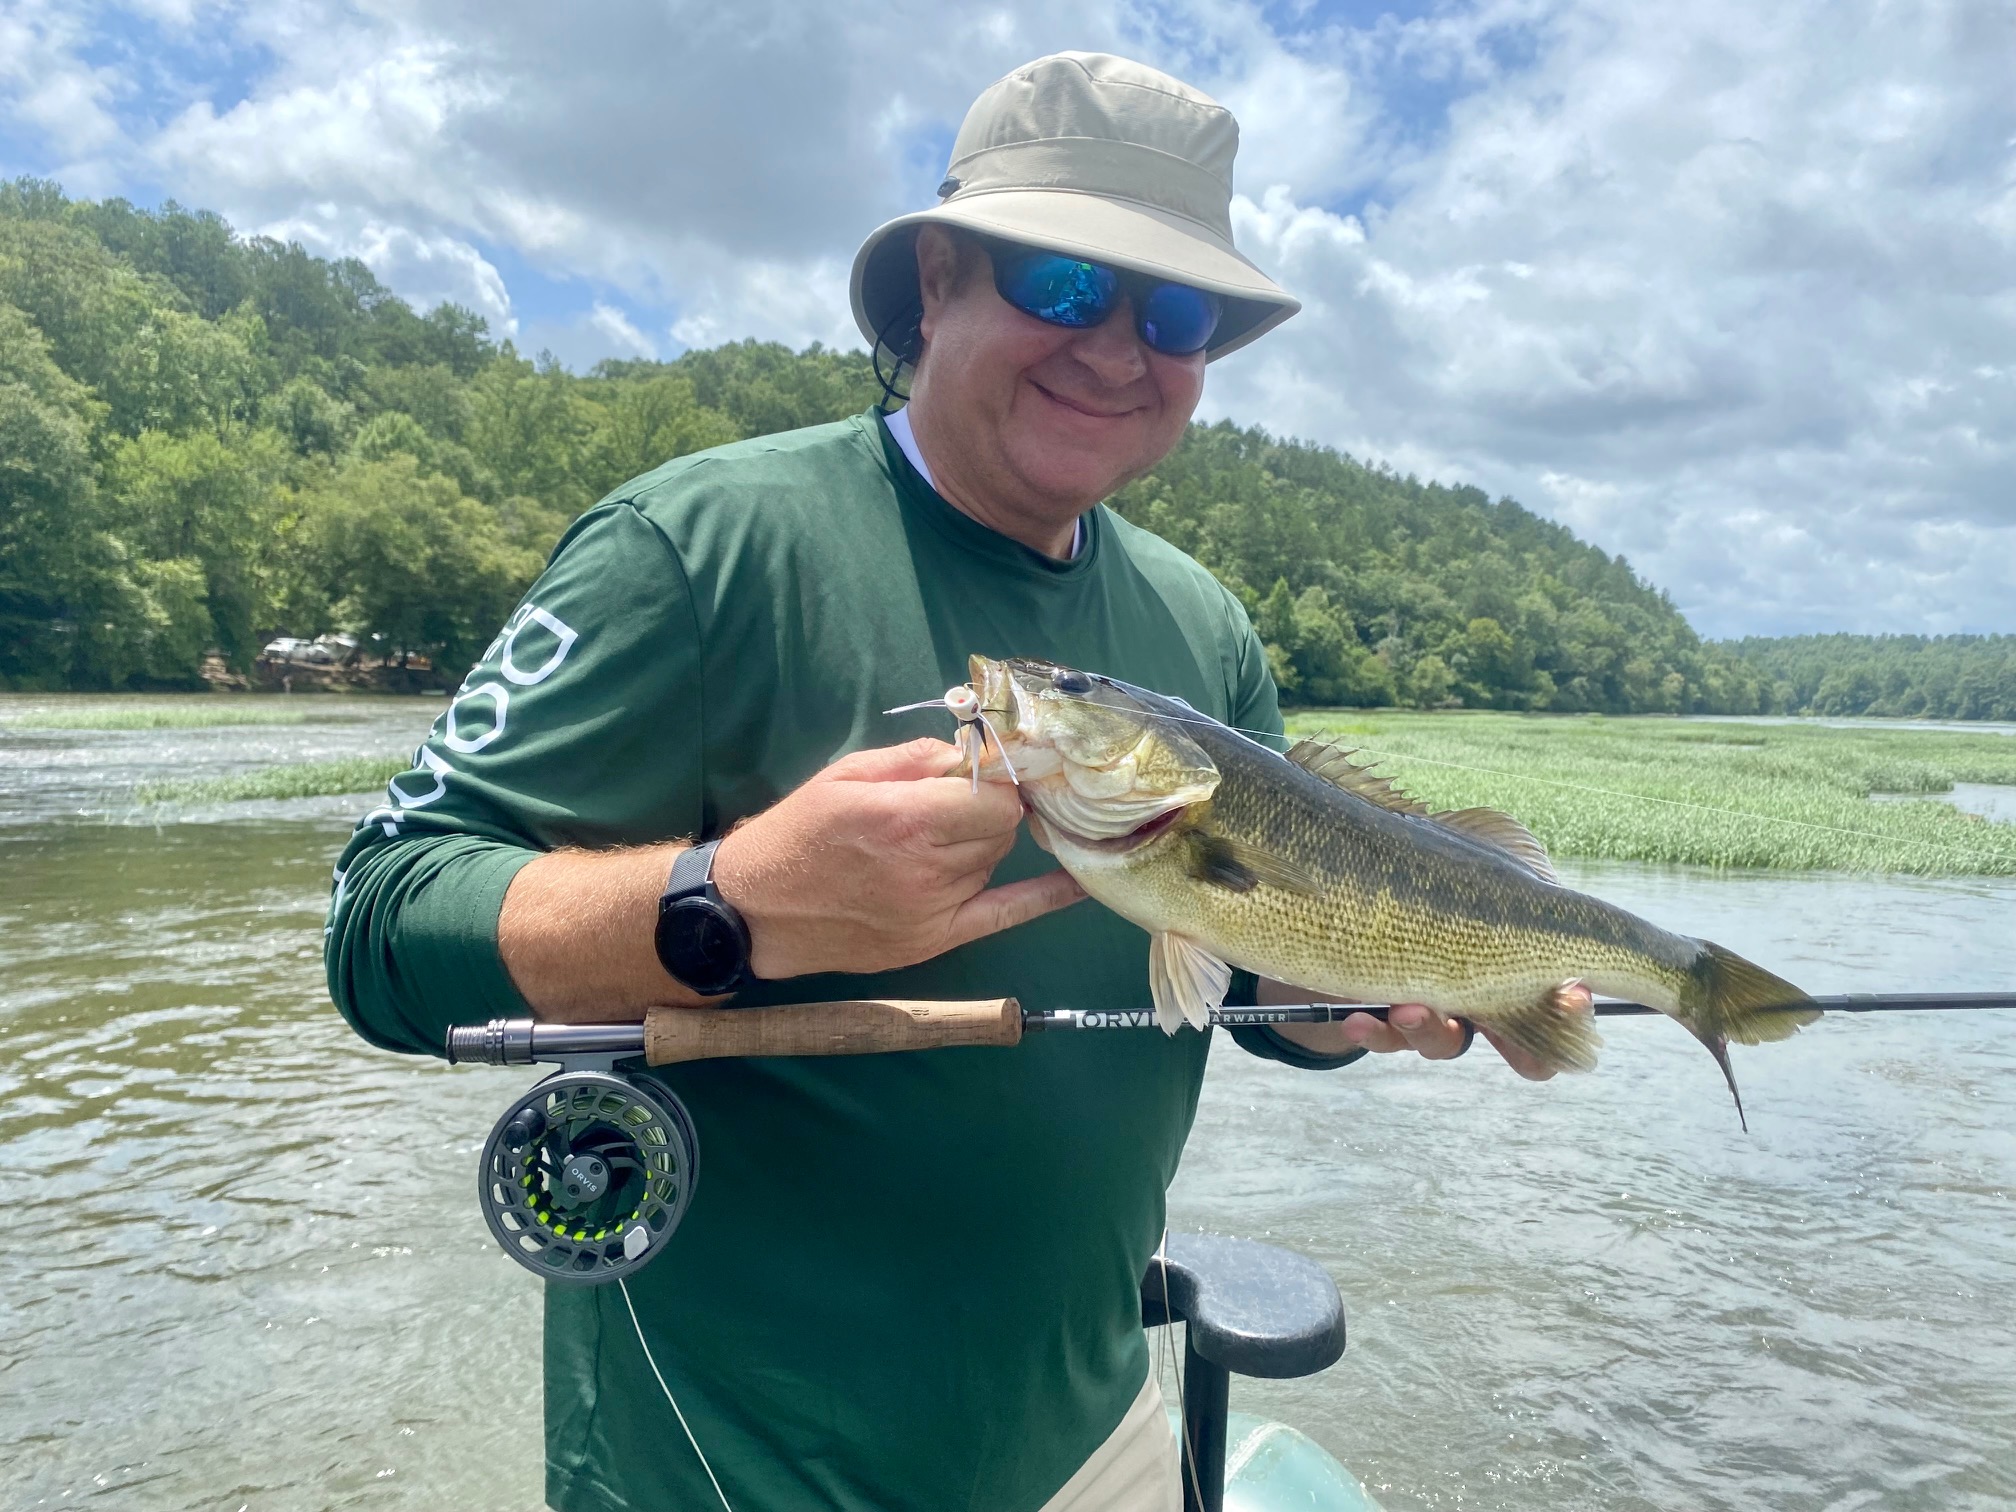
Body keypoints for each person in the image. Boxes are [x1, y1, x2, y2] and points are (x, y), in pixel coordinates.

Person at [326, 50, 1566, 1512]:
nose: (1118, 348)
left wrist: (1342, 1010)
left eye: (1174, 314)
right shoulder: (699, 549)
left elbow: (1234, 984)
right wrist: (728, 904)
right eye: (1062, 286)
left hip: (1092, 1428)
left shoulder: (1204, 631)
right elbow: (380, 925)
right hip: (731, 1461)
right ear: (935, 282)